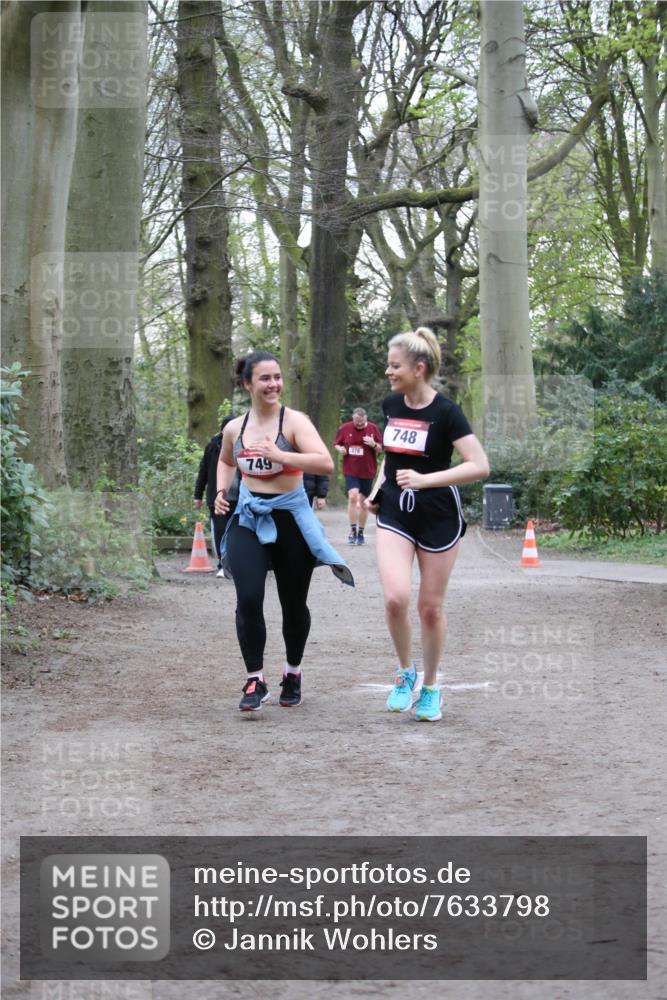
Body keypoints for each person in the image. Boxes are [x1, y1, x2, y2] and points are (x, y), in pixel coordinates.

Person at [215, 351, 353, 713]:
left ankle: (292, 672)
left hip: (291, 519)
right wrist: (219, 491)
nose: (273, 384)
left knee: (293, 604)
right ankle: (254, 679)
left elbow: (325, 463)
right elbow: (226, 460)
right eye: (264, 378)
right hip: (249, 516)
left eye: (277, 377)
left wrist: (282, 456)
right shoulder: (235, 428)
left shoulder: (294, 422)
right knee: (247, 597)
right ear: (247, 384)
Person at [365, 327, 489, 722]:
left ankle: (432, 687)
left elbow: (479, 466)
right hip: (396, 512)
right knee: (395, 598)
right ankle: (406, 674)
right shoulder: (390, 405)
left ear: (419, 369)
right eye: (388, 365)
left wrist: (425, 480)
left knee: (430, 608)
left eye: (394, 365)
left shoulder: (447, 413)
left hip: (438, 515)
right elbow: (392, 456)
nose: (388, 371)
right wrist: (376, 489)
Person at [193, 416, 239, 578]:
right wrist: (197, 495)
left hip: (240, 499)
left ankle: (239, 564)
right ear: (222, 431)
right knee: (220, 532)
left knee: (239, 532)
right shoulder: (212, 447)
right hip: (217, 498)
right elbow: (203, 472)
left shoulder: (244, 445)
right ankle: (223, 564)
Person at [334, 407, 382, 545]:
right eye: (357, 422)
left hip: (367, 470)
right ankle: (352, 530)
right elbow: (337, 444)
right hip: (351, 470)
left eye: (362, 422)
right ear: (353, 419)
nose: (359, 424)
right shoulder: (345, 428)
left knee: (363, 502)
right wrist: (341, 449)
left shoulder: (373, 429)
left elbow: (381, 448)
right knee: (353, 496)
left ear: (366, 418)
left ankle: (361, 532)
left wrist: (373, 444)